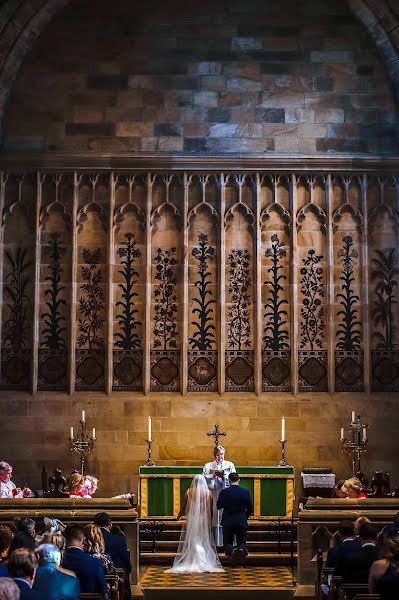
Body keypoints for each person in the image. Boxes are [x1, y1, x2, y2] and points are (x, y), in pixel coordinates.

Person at [165, 474, 223, 573]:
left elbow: (183, 507)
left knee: (193, 537)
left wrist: (178, 517)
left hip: (192, 517)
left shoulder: (189, 491)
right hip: (203, 518)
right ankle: (202, 559)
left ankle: (193, 558)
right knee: (202, 538)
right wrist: (210, 520)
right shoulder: (208, 493)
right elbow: (211, 509)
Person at [216, 472, 253, 565]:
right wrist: (245, 516)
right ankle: (241, 549)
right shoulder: (245, 492)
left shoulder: (224, 492)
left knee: (228, 541)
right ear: (239, 480)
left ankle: (230, 549)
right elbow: (250, 508)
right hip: (241, 520)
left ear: (229, 480)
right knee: (242, 540)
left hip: (228, 521)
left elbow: (218, 506)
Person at [203, 446, 236, 547]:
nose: (219, 457)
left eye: (221, 454)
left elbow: (234, 478)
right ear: (214, 455)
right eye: (217, 455)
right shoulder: (208, 466)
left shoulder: (229, 464)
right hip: (213, 493)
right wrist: (212, 477)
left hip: (226, 494)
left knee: (225, 517)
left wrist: (224, 477)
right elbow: (203, 480)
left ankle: (227, 543)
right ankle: (215, 543)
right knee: (214, 517)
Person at [93, 513, 131, 598]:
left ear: (94, 525)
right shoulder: (118, 540)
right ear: (110, 525)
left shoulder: (90, 540)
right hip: (116, 576)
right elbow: (126, 560)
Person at [62, 524, 105, 598]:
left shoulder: (59, 561)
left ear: (65, 540)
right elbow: (102, 590)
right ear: (83, 540)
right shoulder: (94, 562)